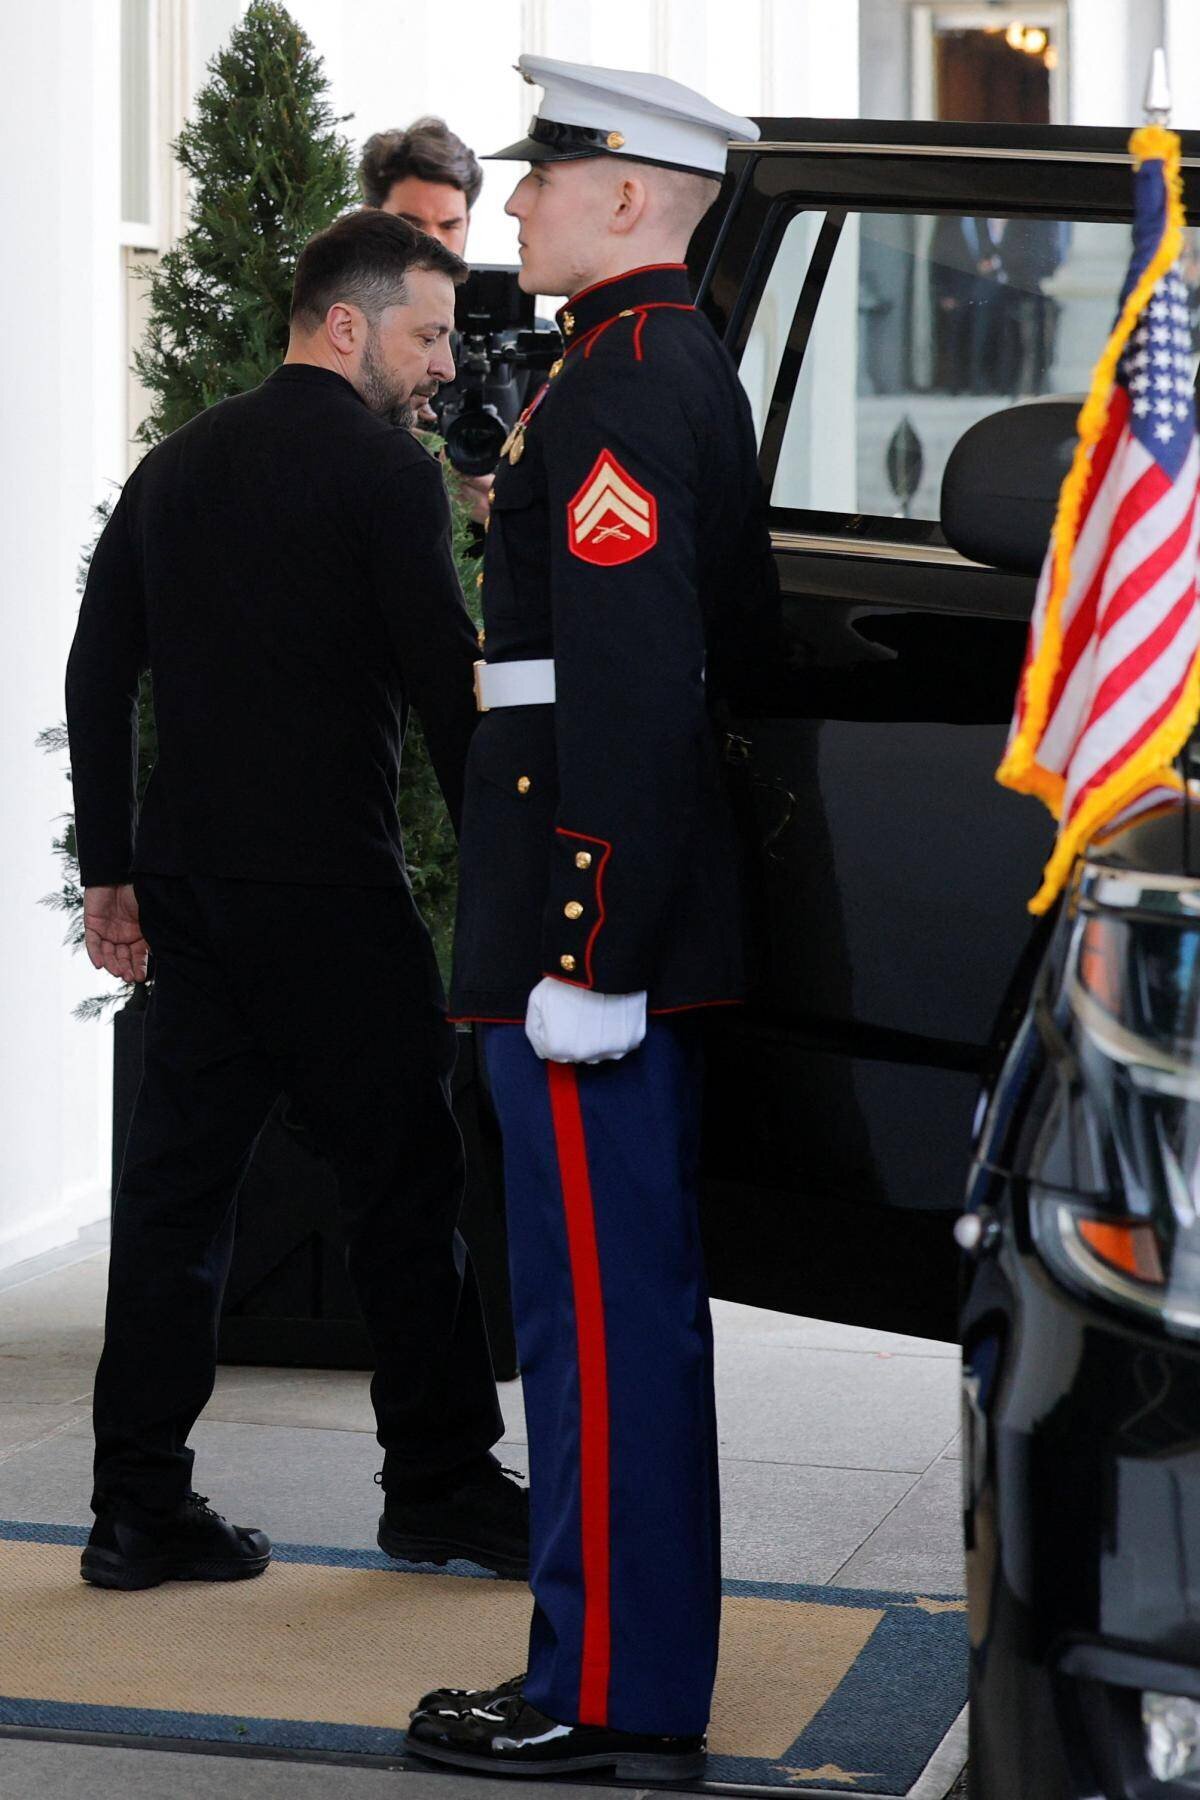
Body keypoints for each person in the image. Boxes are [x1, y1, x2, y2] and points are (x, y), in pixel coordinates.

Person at [404, 54, 777, 1781]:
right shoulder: (630, 369)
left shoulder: (625, 382)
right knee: (613, 1324)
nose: (520, 202)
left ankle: (608, 1693)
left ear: (630, 196)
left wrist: (585, 952)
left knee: (605, 1333)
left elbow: (633, 696)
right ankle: (611, 1664)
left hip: (583, 946)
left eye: (545, 176)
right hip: (594, 924)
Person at [65, 210, 528, 1592]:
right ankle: (439, 1484)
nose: (442, 363)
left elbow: (98, 673)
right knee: (405, 1190)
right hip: (328, 897)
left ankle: (137, 1505)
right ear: (350, 324)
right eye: (428, 332)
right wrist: (510, 883)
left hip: (199, 897)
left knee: (173, 1207)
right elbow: (450, 685)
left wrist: (111, 869)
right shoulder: (383, 475)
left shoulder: (176, 465)